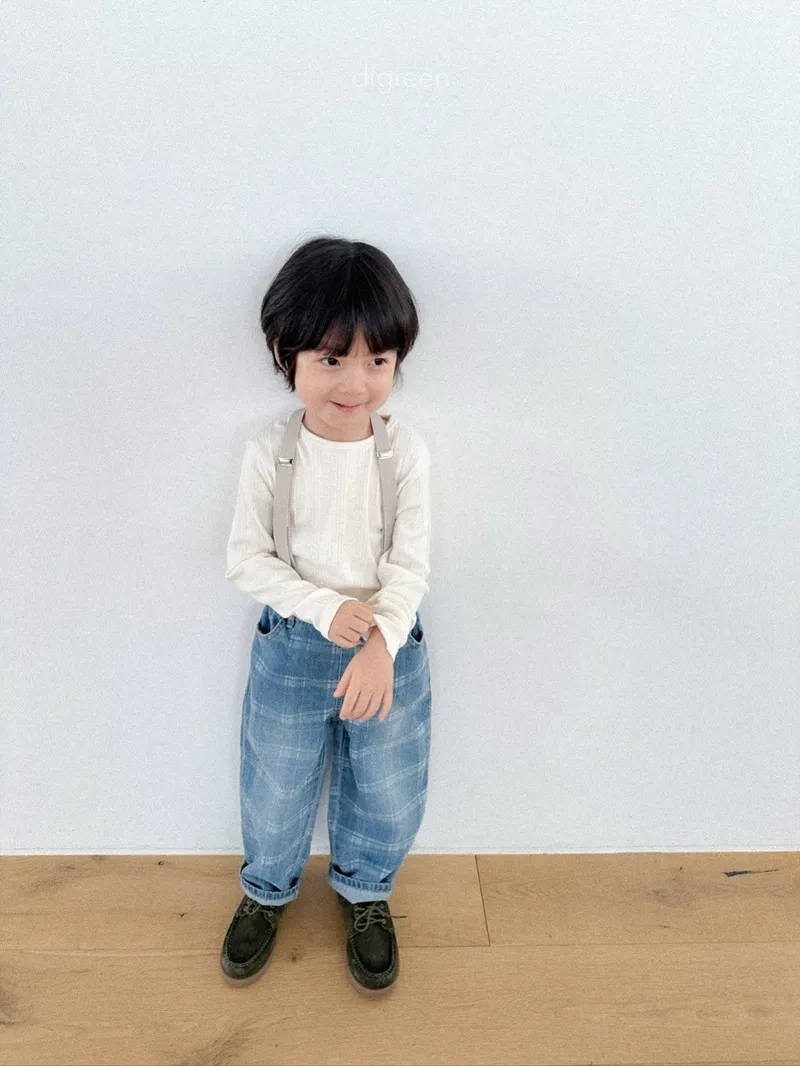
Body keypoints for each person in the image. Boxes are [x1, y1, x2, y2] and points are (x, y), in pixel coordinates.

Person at [220, 236, 432, 996]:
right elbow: (247, 559)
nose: (354, 381)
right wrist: (324, 606)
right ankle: (266, 889)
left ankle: (365, 891)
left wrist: (379, 639)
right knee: (276, 779)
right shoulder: (269, 451)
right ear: (289, 356)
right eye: (332, 358)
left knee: (387, 781)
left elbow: (410, 563)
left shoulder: (403, 452)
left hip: (387, 645)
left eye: (377, 360)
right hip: (293, 644)